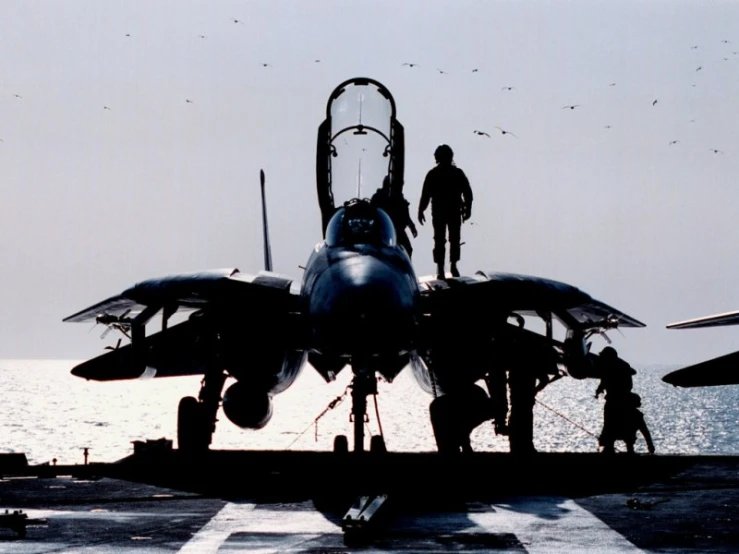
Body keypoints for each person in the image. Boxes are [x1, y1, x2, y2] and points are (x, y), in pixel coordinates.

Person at [417, 144, 473, 279]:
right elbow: (426, 195)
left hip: (444, 211)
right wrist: (421, 210)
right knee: (448, 239)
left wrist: (421, 210)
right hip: (446, 211)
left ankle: (445, 267)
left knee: (445, 239)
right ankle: (446, 266)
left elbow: (467, 193)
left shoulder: (435, 174)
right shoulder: (453, 173)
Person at [594, 346, 645, 454]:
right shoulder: (623, 365)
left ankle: (609, 448)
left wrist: (599, 390)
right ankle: (628, 450)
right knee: (625, 425)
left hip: (614, 401)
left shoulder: (610, 367)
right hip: (623, 400)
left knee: (609, 425)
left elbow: (604, 381)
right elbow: (628, 384)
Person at [371, 176, 418, 258]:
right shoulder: (378, 198)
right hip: (382, 230)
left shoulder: (399, 198)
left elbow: (405, 216)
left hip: (398, 230)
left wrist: (412, 226)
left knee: (407, 249)